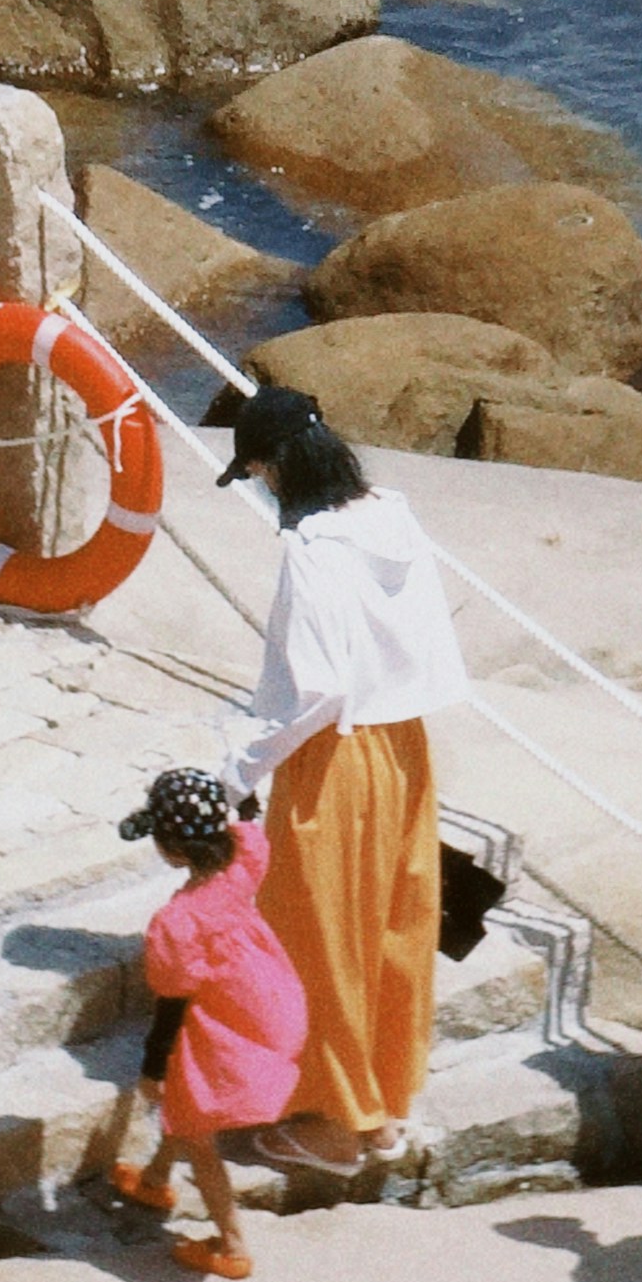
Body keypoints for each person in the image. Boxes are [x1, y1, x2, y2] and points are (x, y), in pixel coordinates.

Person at [213, 387, 470, 1174]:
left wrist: (240, 763)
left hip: (335, 751)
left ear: (273, 465)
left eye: (255, 471)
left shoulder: (314, 548)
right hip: (405, 746)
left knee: (318, 939)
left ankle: (332, 1126)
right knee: (395, 926)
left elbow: (315, 687)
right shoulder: (393, 517)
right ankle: (385, 1108)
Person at [94, 765, 309, 1281]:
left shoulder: (178, 922)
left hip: (226, 1027)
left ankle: (232, 1243)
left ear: (170, 849)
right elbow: (249, 822)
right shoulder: (244, 858)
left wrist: (153, 1067)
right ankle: (154, 1179)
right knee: (187, 1108)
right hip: (271, 999)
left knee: (196, 1130)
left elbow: (171, 1002)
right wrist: (246, 792)